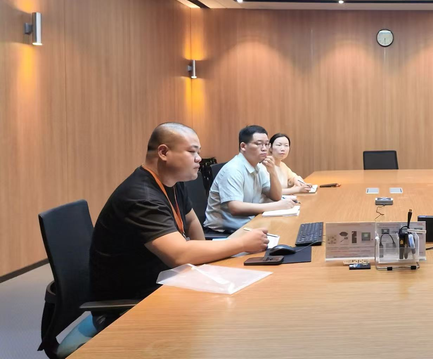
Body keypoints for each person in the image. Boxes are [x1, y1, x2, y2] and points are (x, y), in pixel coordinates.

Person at [77, 123, 270, 352]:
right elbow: (179, 255)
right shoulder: (141, 196)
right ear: (163, 152)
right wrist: (242, 243)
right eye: (192, 151)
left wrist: (203, 263)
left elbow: (192, 221)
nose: (199, 158)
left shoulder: (171, 183)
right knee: (226, 325)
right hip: (127, 305)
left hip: (163, 283)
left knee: (238, 308)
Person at [204, 125, 294, 233]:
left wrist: (272, 172)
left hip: (248, 222)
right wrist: (275, 206)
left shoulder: (259, 167)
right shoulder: (233, 169)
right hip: (224, 231)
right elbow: (235, 208)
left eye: (266, 144)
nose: (264, 148)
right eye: (258, 144)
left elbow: (276, 196)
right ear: (243, 146)